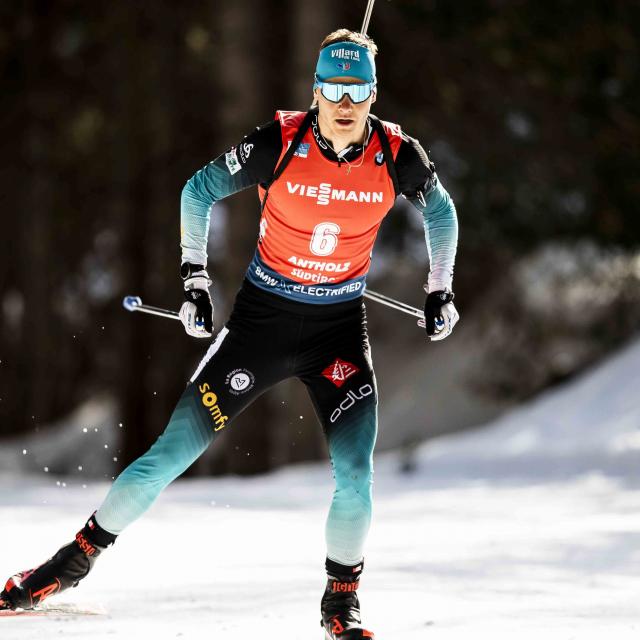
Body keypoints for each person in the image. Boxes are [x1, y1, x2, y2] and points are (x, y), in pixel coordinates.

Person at [1, 29, 458, 639]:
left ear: (373, 95)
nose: (345, 103)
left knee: (356, 476)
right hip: (259, 326)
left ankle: (340, 602)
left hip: (337, 334)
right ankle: (67, 564)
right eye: (332, 87)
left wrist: (440, 288)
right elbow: (198, 190)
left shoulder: (396, 152)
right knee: (167, 458)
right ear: (315, 90)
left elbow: (441, 211)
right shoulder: (280, 142)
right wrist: (194, 280)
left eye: (357, 90)